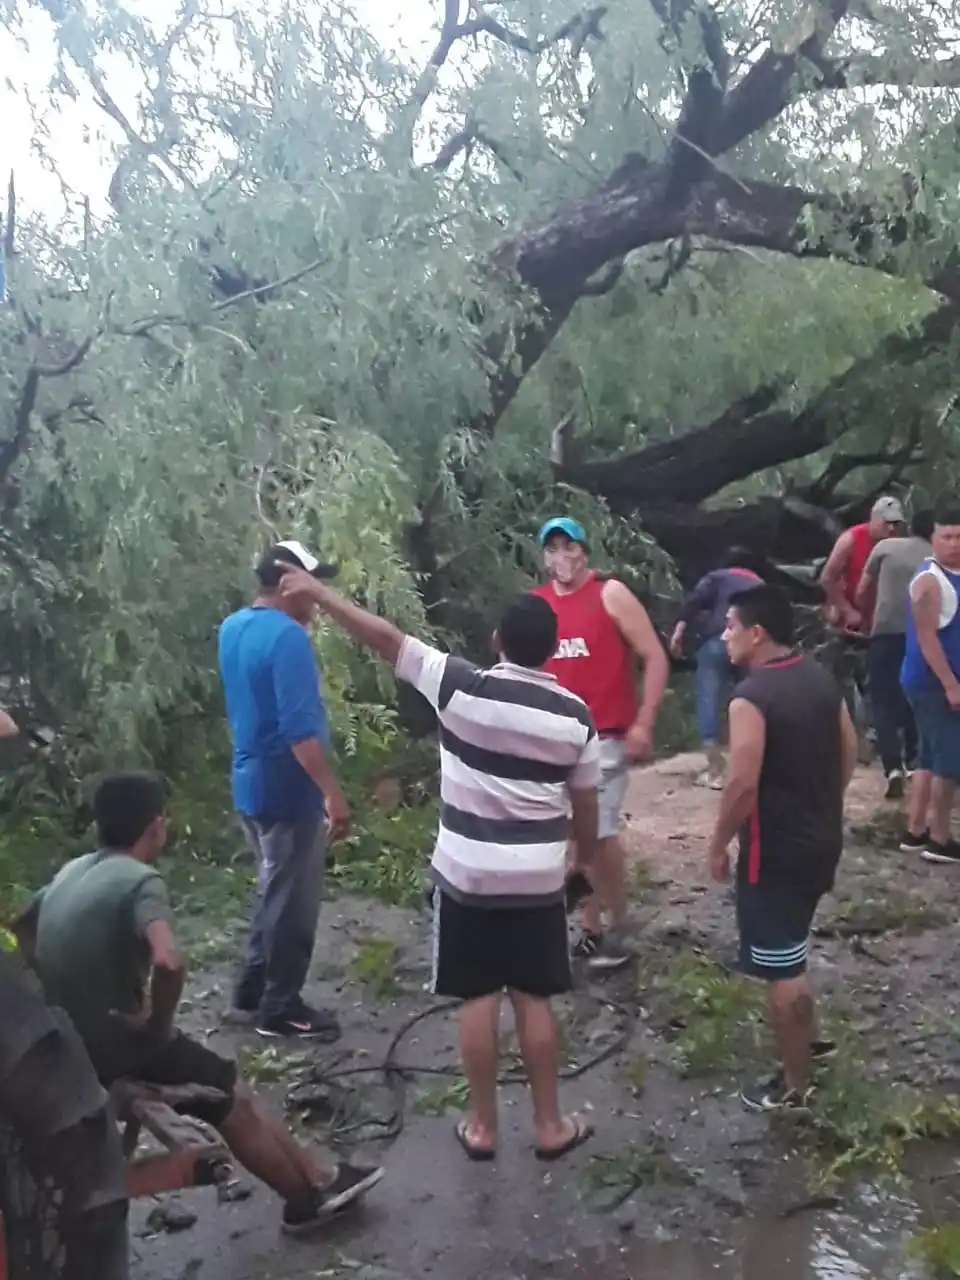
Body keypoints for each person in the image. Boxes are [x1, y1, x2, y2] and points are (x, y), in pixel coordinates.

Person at [276, 567, 601, 1162]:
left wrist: (321, 594)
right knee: (534, 999)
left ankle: (482, 1128)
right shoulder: (576, 716)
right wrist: (580, 862)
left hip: (467, 879)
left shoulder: (460, 686)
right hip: (536, 881)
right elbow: (586, 806)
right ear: (552, 650)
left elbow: (385, 639)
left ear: (498, 639)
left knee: (478, 997)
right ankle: (550, 1126)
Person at [13, 772, 383, 1232]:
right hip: (121, 1044)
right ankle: (305, 1203)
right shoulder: (140, 880)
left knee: (231, 1083)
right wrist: (156, 1021)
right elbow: (169, 961)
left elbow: (23, 925)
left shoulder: (73, 871)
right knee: (232, 1100)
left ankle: (317, 1175)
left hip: (70, 1037)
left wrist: (58, 982)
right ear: (155, 826)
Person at [708, 586, 858, 1111]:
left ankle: (795, 1088)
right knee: (792, 944)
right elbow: (850, 749)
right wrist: (824, 803)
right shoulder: (818, 676)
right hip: (821, 840)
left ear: (757, 633)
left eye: (730, 625)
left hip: (774, 851)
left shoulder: (751, 696)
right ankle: (812, 1039)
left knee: (781, 969)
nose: (724, 635)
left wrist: (718, 842)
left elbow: (742, 782)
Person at [218, 540, 350, 1039]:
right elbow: (299, 731)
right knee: (294, 902)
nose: (317, 597)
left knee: (272, 889)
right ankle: (281, 1007)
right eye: (312, 585)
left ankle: (250, 990)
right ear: (287, 582)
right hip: (286, 788)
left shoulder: (234, 627)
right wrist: (332, 794)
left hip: (248, 782)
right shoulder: (288, 638)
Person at [532, 517, 670, 971]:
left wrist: (644, 722)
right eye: (552, 548)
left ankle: (620, 926)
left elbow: (653, 654)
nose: (561, 557)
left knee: (600, 831)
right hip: (553, 740)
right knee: (574, 834)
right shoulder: (538, 605)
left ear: (583, 551)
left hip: (603, 736)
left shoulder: (609, 594)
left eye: (568, 546)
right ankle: (591, 929)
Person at [668, 547, 763, 788]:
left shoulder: (718, 577)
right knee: (752, 703)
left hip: (718, 640)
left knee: (708, 697)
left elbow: (695, 601)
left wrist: (678, 633)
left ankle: (715, 769)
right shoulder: (760, 584)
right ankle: (751, 765)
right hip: (753, 645)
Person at [856, 510, 933, 799]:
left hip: (885, 632)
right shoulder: (938, 557)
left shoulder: (885, 547)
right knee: (915, 695)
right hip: (922, 634)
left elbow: (863, 590)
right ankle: (915, 760)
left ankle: (893, 768)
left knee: (882, 699)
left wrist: (866, 621)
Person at [900, 506, 960, 863]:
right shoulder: (929, 580)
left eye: (959, 537)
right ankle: (941, 840)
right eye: (947, 537)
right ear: (933, 539)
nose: (954, 544)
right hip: (933, 683)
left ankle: (915, 830)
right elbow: (926, 638)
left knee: (928, 755)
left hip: (938, 682)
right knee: (949, 761)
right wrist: (951, 685)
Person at [820, 495, 905, 633]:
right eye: (887, 522)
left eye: (895, 524)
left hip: (879, 616)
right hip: (851, 612)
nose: (891, 528)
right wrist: (846, 610)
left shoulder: (896, 542)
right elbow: (827, 578)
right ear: (874, 518)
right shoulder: (850, 540)